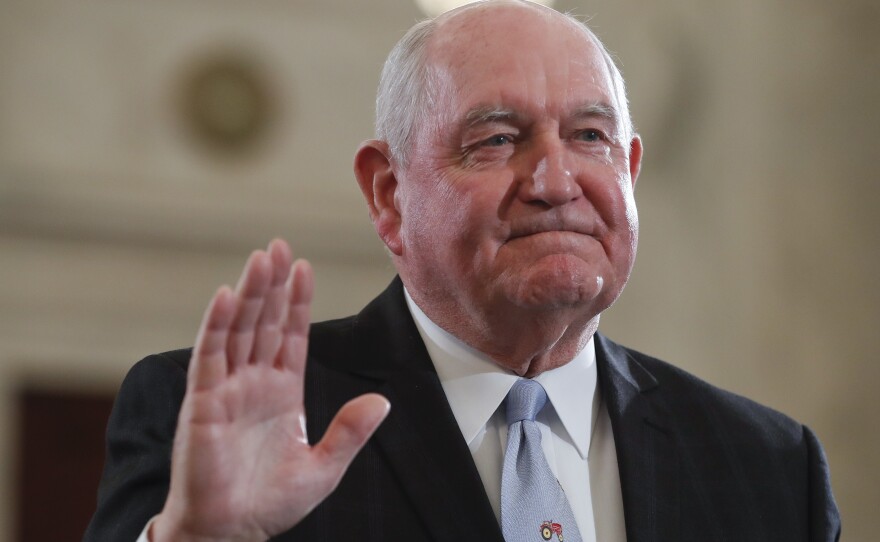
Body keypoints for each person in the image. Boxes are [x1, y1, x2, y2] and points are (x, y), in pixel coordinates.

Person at [84, 1, 841, 541]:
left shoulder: (768, 467)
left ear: (631, 169)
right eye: (497, 139)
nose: (554, 180)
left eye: (589, 136)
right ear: (389, 191)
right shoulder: (220, 419)